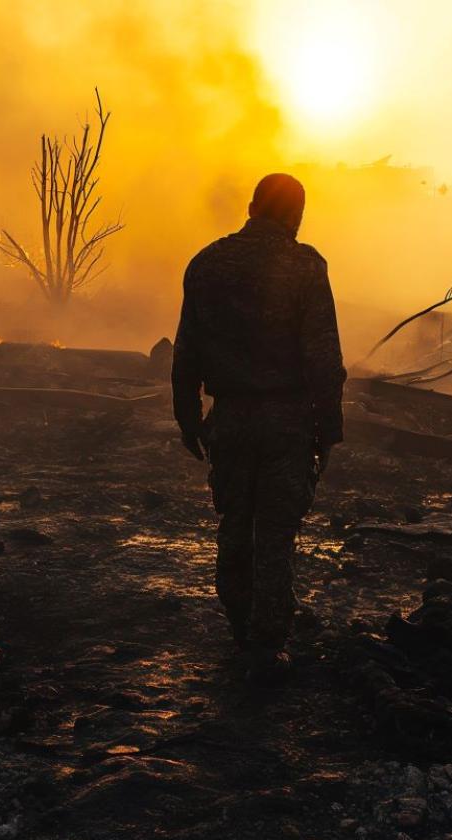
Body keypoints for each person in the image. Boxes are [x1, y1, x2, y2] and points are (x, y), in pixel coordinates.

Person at [170, 173, 347, 683]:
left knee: (234, 523)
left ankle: (240, 627)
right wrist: (328, 430)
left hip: (229, 421)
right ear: (295, 215)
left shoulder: (206, 264)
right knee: (274, 532)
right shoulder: (305, 266)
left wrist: (188, 418)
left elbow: (187, 353)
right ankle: (266, 645)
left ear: (251, 207)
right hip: (286, 424)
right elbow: (323, 357)